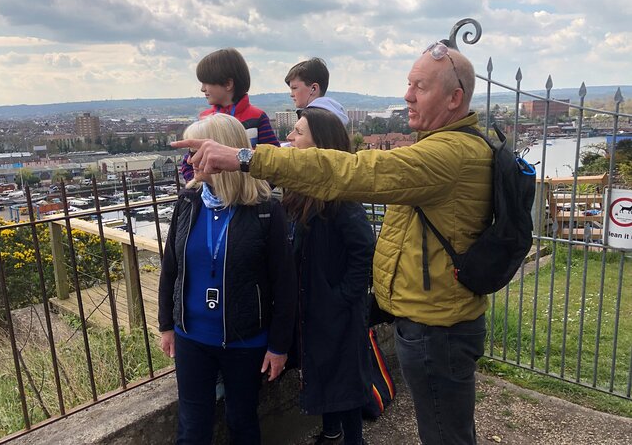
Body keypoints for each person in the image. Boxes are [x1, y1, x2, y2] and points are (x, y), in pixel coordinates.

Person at [175, 42, 491, 445]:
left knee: (445, 433)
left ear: (454, 97)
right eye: (409, 84)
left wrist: (245, 157)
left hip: (438, 328)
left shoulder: (446, 156)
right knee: (440, 425)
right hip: (429, 319)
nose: (407, 95)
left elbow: (354, 173)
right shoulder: (444, 149)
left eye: (420, 86)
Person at [159, 113, 296, 445]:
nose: (189, 161)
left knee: (242, 421)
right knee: (192, 427)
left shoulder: (265, 211)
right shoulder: (189, 202)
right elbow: (171, 268)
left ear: (223, 151)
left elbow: (285, 285)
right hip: (191, 337)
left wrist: (278, 346)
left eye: (196, 150)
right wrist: (167, 324)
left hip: (246, 341)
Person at [283, 107, 374, 445]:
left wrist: (343, 296)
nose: (290, 138)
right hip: (314, 306)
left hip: (335, 307)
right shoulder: (300, 188)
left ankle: (353, 440)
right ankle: (332, 432)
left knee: (343, 381)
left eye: (298, 132)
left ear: (319, 142)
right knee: (322, 371)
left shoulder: (340, 195)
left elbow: (364, 247)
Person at [181, 48, 279, 181]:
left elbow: (273, 162)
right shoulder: (204, 120)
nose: (202, 89)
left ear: (228, 84)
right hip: (213, 198)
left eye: (206, 82)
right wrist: (201, 185)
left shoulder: (257, 117)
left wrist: (258, 192)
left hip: (249, 198)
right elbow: (189, 163)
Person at [285, 57, 349, 126]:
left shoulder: (314, 121)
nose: (291, 94)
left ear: (314, 88)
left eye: (294, 88)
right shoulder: (333, 117)